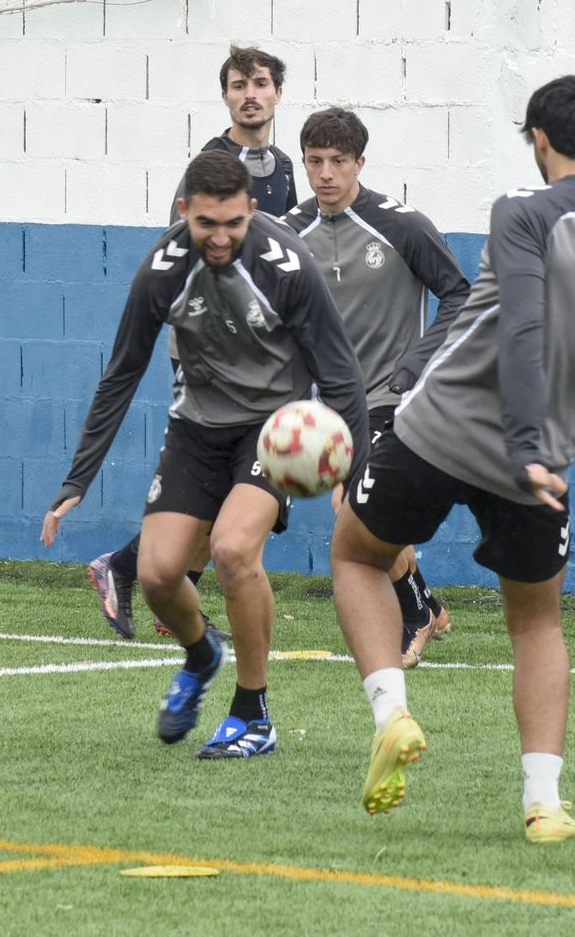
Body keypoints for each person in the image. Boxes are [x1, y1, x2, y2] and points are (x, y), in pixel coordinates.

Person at [329, 76, 575, 842]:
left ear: (538, 140)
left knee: (359, 556)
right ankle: (543, 803)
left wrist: (523, 439)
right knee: (536, 626)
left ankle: (392, 713)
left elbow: (522, 323)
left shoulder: (521, 211)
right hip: (542, 470)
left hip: (439, 431)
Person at [44, 150, 368, 761]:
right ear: (184, 212)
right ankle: (201, 653)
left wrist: (355, 472)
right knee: (159, 575)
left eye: (233, 224)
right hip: (195, 428)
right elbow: (122, 373)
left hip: (271, 431)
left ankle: (253, 713)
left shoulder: (287, 266)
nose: (220, 238)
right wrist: (77, 478)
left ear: (250, 210)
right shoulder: (162, 271)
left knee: (231, 551)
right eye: (206, 224)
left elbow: (341, 370)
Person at [88, 45, 299, 639]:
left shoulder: (282, 165)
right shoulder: (213, 162)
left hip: (260, 354)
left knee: (238, 491)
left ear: (277, 94)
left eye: (260, 83)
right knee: (225, 484)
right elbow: (184, 254)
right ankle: (129, 568)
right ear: (226, 95)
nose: (250, 93)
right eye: (238, 85)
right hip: (211, 350)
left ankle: (166, 593)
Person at [284, 108, 469, 668]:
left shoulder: (401, 224)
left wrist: (415, 363)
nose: (326, 174)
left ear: (360, 163)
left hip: (396, 399)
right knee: (367, 519)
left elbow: (460, 295)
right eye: (315, 162)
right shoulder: (288, 231)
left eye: (338, 162)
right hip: (331, 407)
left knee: (358, 515)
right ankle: (429, 608)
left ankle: (413, 618)